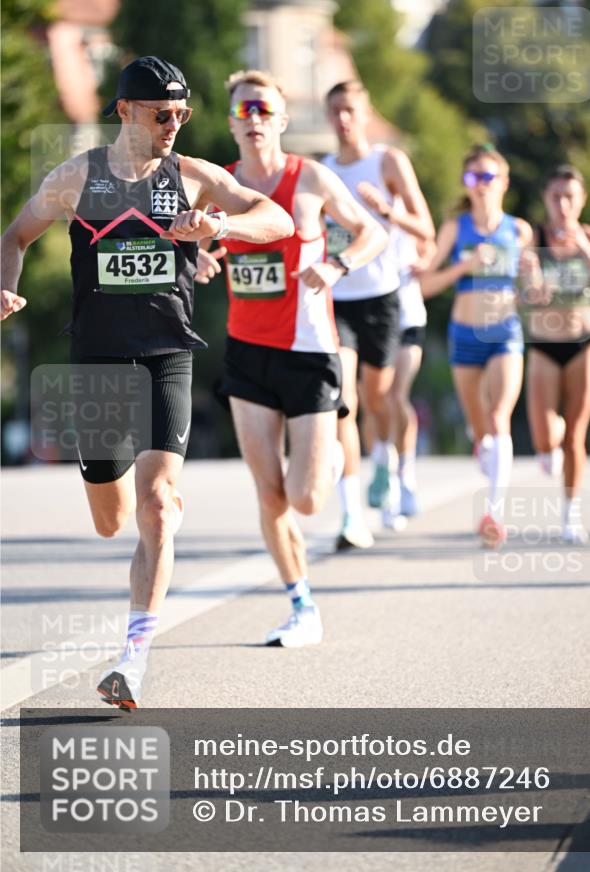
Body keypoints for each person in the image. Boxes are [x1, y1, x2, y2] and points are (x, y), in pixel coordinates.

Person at [0, 56, 294, 709]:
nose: (174, 124)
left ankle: (133, 660)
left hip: (167, 354)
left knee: (157, 505)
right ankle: (138, 521)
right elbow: (15, 237)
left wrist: (220, 226)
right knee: (111, 520)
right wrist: (5, 287)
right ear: (126, 111)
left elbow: (278, 219)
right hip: (98, 362)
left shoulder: (192, 176)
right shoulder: (77, 177)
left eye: (182, 112)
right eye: (162, 113)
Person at [198, 69, 386, 646]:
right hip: (247, 352)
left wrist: (337, 264)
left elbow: (372, 233)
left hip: (309, 351)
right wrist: (199, 258)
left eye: (263, 109)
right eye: (244, 110)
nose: (253, 118)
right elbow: (194, 243)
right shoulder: (219, 185)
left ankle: (329, 458)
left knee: (305, 499)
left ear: (281, 119)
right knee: (269, 492)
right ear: (232, 123)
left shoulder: (311, 179)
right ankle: (302, 605)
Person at [322, 80, 435, 541]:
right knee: (344, 401)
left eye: (350, 109)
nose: (343, 119)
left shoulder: (388, 161)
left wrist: (387, 210)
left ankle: (386, 460)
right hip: (338, 299)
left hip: (385, 299)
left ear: (366, 114)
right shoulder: (323, 170)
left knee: (381, 400)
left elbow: (426, 227)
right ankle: (351, 513)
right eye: (335, 111)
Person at [420, 145, 532, 547]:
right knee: (482, 429)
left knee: (500, 417)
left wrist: (533, 279)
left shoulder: (519, 231)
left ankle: (494, 513)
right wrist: (464, 266)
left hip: (504, 333)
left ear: (503, 182)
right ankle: (482, 445)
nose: (481, 185)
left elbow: (533, 291)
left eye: (488, 177)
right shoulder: (456, 228)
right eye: (473, 177)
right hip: (464, 335)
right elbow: (424, 284)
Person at [524, 165, 590, 543]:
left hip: (584, 342)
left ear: (582, 200)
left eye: (570, 197)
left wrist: (586, 250)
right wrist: (535, 288)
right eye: (555, 197)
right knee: (546, 438)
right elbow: (525, 292)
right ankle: (552, 442)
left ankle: (570, 514)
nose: (562, 205)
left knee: (576, 435)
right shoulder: (534, 238)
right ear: (545, 199)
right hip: (544, 345)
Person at [359, 209, 435, 516]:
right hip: (368, 315)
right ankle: (382, 469)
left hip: (406, 315)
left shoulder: (404, 206)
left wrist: (426, 259)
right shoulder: (350, 201)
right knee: (372, 400)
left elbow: (428, 239)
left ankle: (405, 472)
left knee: (396, 395)